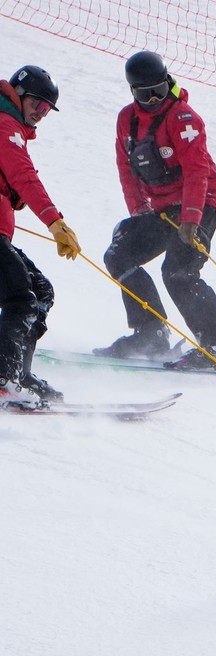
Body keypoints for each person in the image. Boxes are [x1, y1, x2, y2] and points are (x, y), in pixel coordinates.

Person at [94, 51, 216, 369]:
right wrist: (139, 210)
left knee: (178, 270)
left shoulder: (183, 118)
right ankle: (150, 332)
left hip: (200, 203)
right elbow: (126, 168)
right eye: (146, 93)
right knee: (120, 253)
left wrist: (191, 220)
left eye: (161, 88)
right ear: (133, 91)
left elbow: (198, 170)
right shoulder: (126, 120)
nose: (155, 97)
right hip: (161, 209)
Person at [0, 65, 82, 404]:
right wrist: (54, 222)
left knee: (40, 290)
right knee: (22, 298)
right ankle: (4, 379)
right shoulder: (5, 125)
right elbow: (23, 176)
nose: (40, 113)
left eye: (47, 109)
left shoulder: (11, 124)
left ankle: (17, 371)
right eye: (37, 103)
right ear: (18, 94)